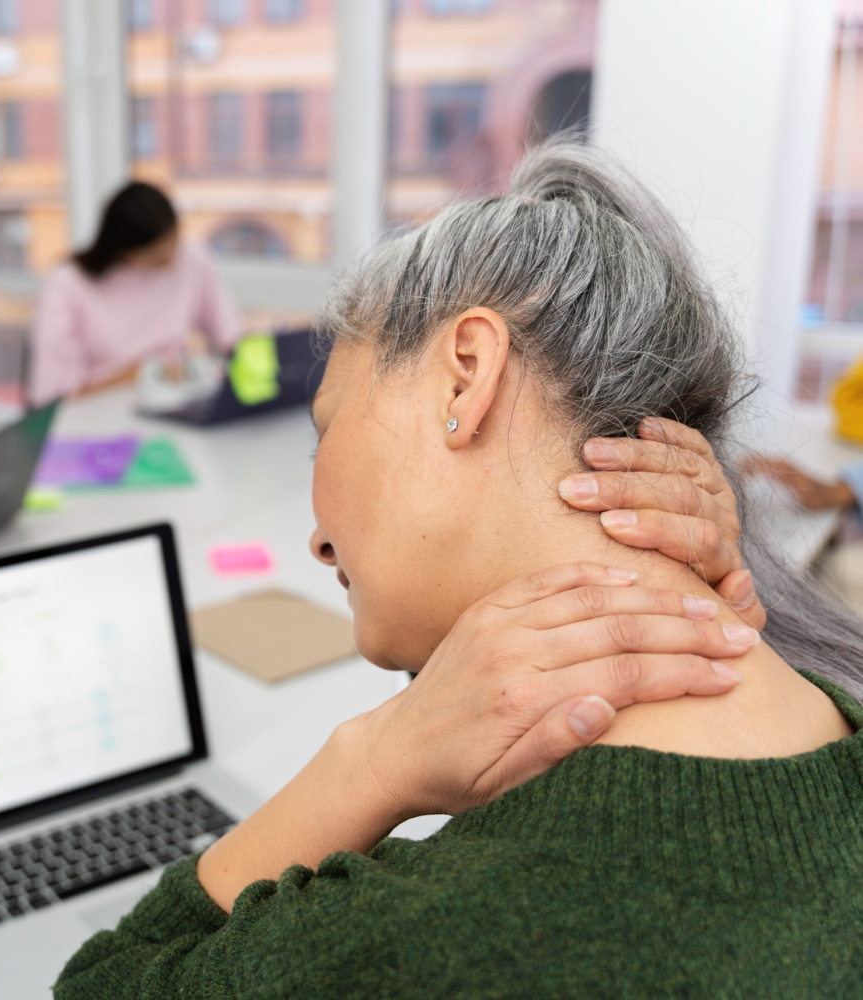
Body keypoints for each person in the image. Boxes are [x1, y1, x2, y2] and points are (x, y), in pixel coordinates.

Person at [54, 144, 863, 998]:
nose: (319, 544)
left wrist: (369, 760)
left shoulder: (419, 938)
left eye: (326, 429)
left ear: (466, 375)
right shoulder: (829, 735)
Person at [27, 181, 242, 405]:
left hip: (174, 402)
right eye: (156, 257)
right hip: (98, 412)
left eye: (175, 241)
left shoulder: (191, 258)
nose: (171, 260)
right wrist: (138, 374)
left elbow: (229, 334)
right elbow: (52, 396)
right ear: (122, 250)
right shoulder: (68, 284)